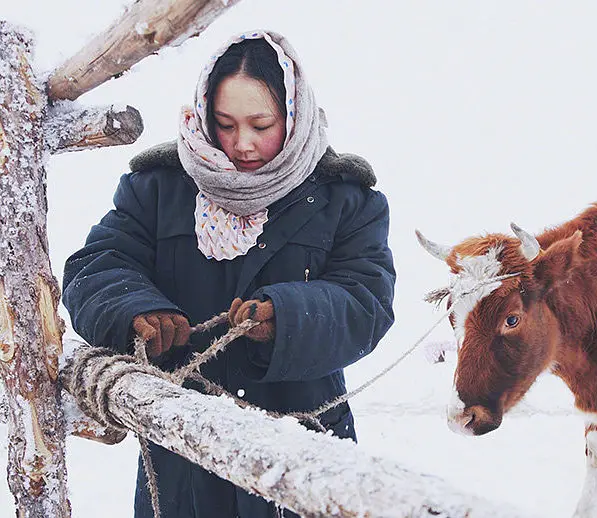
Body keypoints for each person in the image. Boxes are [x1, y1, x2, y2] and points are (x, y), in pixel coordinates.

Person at [62, 29, 396, 518]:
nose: (242, 144)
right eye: (224, 123)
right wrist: (136, 310)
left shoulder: (347, 199)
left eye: (261, 124)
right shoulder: (157, 188)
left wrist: (288, 317)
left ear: (294, 115)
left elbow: (365, 300)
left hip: (301, 456)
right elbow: (99, 264)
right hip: (181, 466)